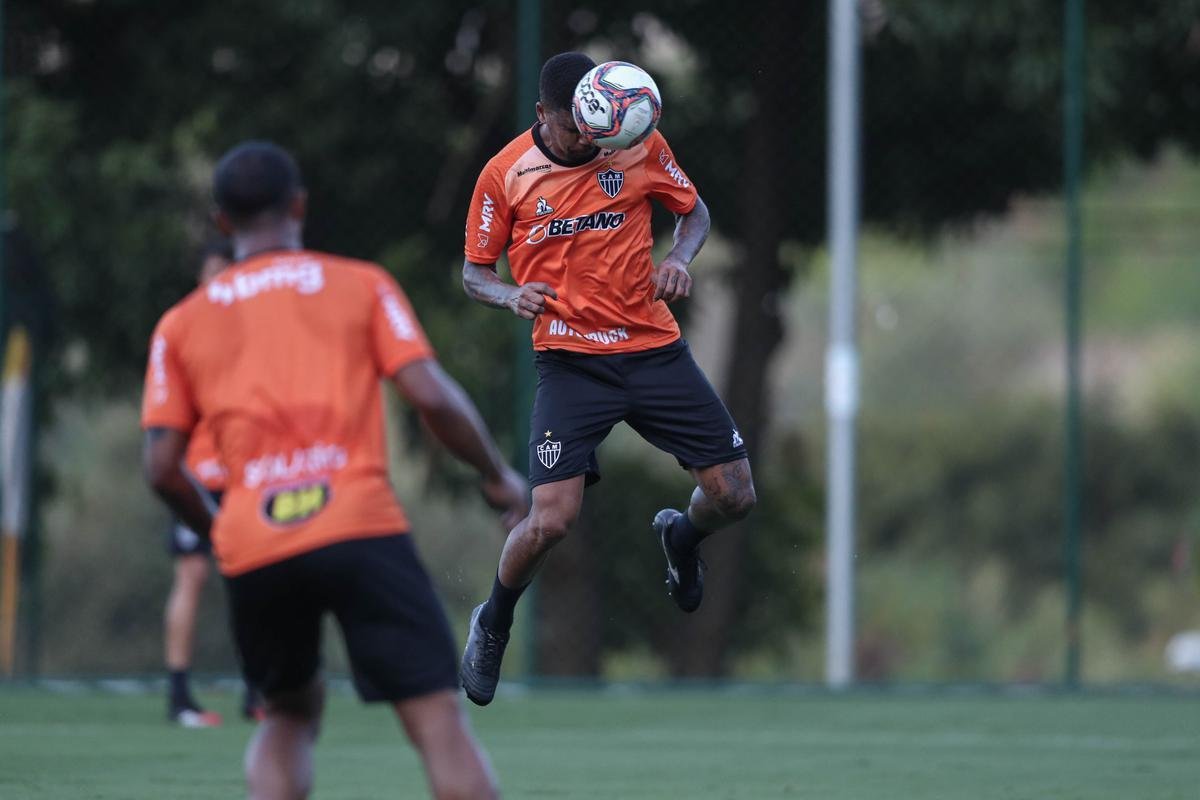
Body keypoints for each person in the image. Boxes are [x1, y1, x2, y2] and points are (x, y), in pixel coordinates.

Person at [142, 141, 525, 799]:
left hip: (255, 540)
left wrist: (219, 529)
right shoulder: (359, 284)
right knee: (436, 720)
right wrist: (497, 474)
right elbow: (431, 395)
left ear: (222, 221)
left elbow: (161, 468)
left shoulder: (180, 325)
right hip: (358, 526)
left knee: (289, 713)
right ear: (299, 205)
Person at [458, 52, 756, 706]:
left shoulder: (633, 138)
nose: (587, 140)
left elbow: (695, 212)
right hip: (570, 363)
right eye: (572, 129)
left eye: (594, 128)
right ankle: (495, 619)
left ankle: (682, 534)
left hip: (652, 349)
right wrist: (509, 296)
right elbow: (474, 272)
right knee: (550, 521)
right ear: (542, 115)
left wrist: (679, 256)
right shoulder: (504, 174)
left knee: (734, 494)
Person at [161, 236, 263, 728]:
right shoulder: (182, 329)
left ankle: (257, 691)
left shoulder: (255, 329)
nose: (223, 282)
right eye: (215, 273)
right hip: (197, 478)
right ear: (201, 278)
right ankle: (179, 696)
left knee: (256, 580)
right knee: (192, 576)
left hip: (247, 475)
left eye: (231, 272)